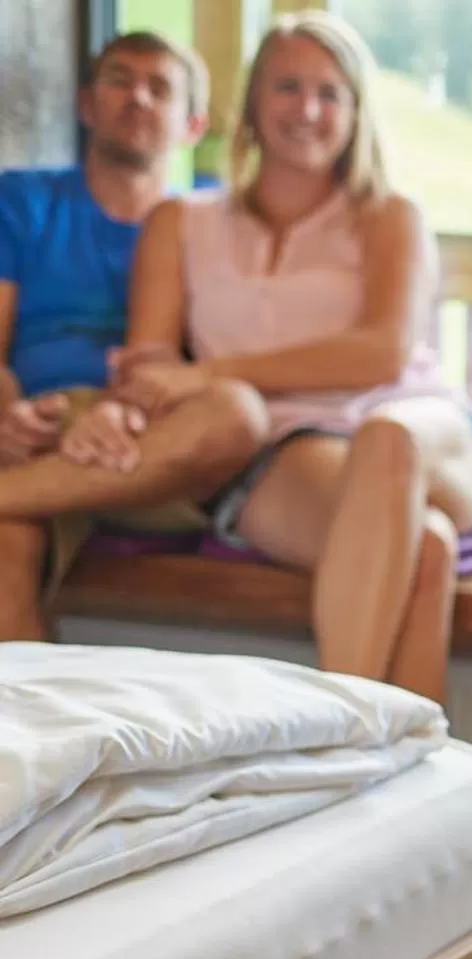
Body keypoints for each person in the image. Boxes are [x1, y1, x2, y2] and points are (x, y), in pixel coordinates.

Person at [98, 11, 472, 702]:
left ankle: (337, 734)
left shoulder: (390, 217)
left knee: (389, 440)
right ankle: (415, 782)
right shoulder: (182, 223)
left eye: (329, 93)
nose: (307, 110)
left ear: (354, 113)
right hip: (286, 443)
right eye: (288, 87)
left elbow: (381, 352)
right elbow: (151, 363)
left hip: (423, 432)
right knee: (425, 547)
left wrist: (209, 373)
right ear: (253, 101)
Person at [0, 31, 266, 642]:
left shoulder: (213, 222)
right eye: (119, 80)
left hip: (158, 442)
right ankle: (54, 739)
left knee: (236, 413)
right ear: (87, 104)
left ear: (193, 125)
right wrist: (10, 417)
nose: (138, 98)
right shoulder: (23, 202)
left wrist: (128, 410)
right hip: (45, 431)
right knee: (8, 541)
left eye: (160, 88)